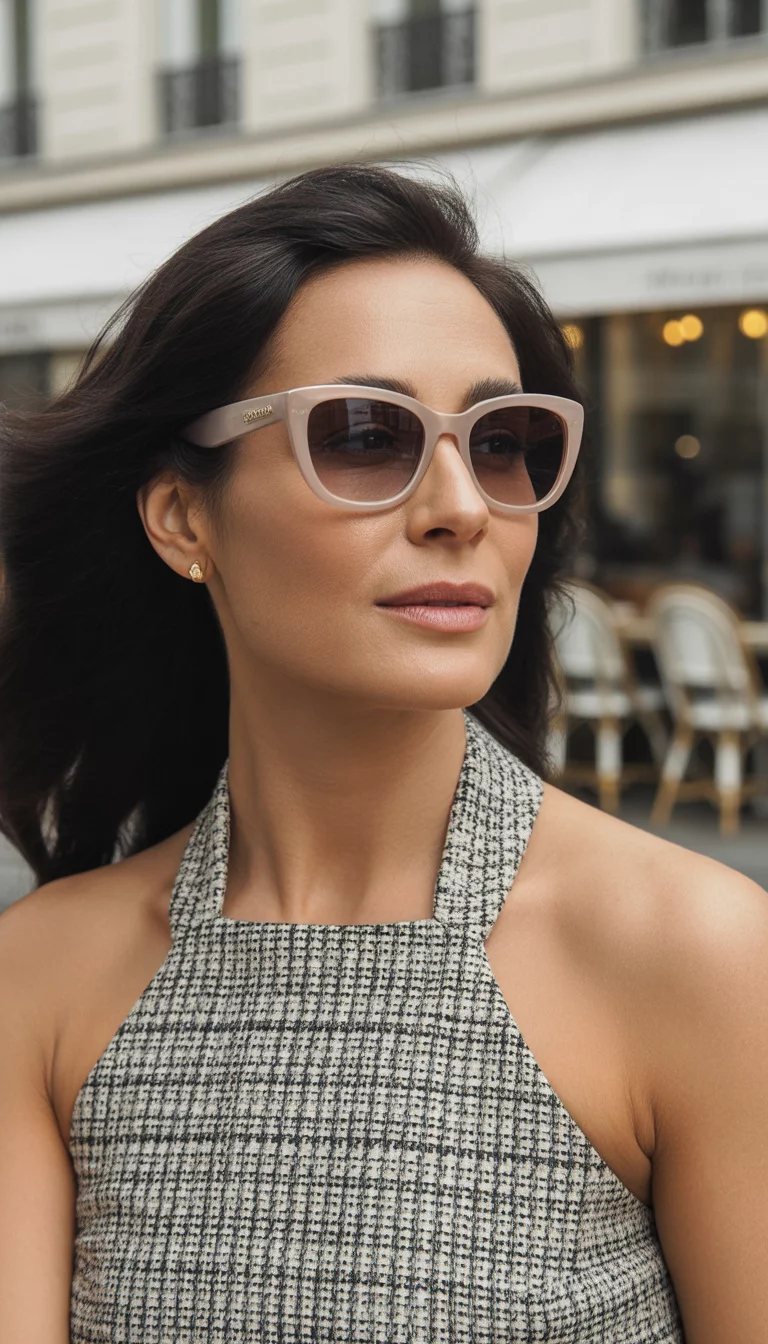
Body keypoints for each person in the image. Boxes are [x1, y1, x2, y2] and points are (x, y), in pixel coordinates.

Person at [0, 163, 765, 1343]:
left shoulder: (694, 954)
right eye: (366, 434)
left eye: (503, 441)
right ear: (183, 517)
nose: (461, 503)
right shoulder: (40, 981)